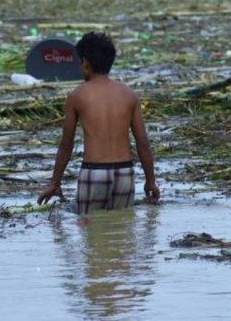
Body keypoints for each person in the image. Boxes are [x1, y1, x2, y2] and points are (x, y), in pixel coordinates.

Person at [37, 32, 159, 214]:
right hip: (124, 174)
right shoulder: (129, 95)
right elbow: (142, 142)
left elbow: (66, 144)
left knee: (91, 233)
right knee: (122, 232)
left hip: (93, 174)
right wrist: (150, 181)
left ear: (85, 63)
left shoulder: (77, 96)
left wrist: (55, 183)